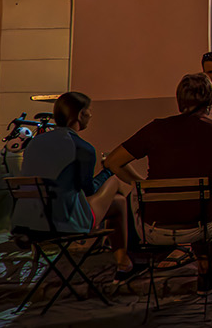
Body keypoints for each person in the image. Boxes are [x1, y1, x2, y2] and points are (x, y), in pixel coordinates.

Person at [105, 74, 212, 285]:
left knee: (126, 196)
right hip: (201, 226)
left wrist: (142, 184)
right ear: (209, 100)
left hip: (153, 228)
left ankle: (125, 263)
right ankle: (205, 271)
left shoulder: (155, 129)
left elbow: (113, 162)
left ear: (179, 100)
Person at [12, 92, 132, 276]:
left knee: (118, 202)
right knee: (114, 182)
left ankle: (122, 260)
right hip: (64, 223)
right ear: (80, 114)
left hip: (28, 224)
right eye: (89, 111)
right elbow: (89, 189)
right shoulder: (82, 147)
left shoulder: (34, 143)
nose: (91, 116)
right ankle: (123, 262)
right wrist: (108, 169)